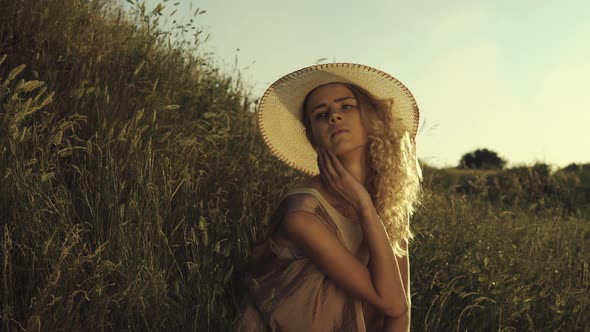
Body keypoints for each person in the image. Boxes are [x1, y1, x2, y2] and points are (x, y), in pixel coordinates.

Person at [234, 63, 422, 331]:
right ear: (313, 137)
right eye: (321, 115)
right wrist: (365, 207)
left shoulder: (390, 202)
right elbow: (390, 302)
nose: (334, 117)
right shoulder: (302, 215)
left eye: (346, 106)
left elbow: (401, 313)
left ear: (370, 118)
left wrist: (367, 204)